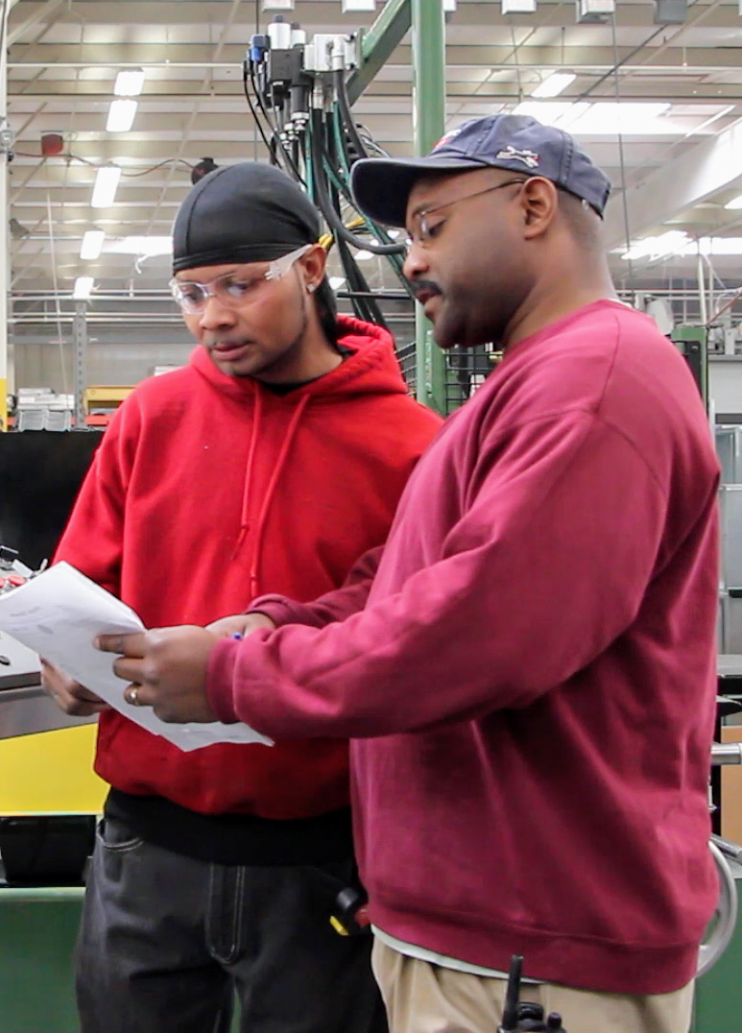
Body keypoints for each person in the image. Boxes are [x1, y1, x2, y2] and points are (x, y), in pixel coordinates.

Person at [96, 116, 720, 1033]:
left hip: (534, 941)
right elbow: (410, 579)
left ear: (535, 205)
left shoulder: (593, 383)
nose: (410, 262)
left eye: (431, 229)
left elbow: (470, 635)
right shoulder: (531, 383)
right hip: (480, 930)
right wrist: (277, 626)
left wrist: (234, 675)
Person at [42, 161, 442, 1033]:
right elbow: (83, 580)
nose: (212, 316)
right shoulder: (151, 416)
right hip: (146, 844)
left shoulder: (413, 448)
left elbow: (410, 641)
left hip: (319, 857)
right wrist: (59, 658)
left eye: (239, 285)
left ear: (312, 265)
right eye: (191, 293)